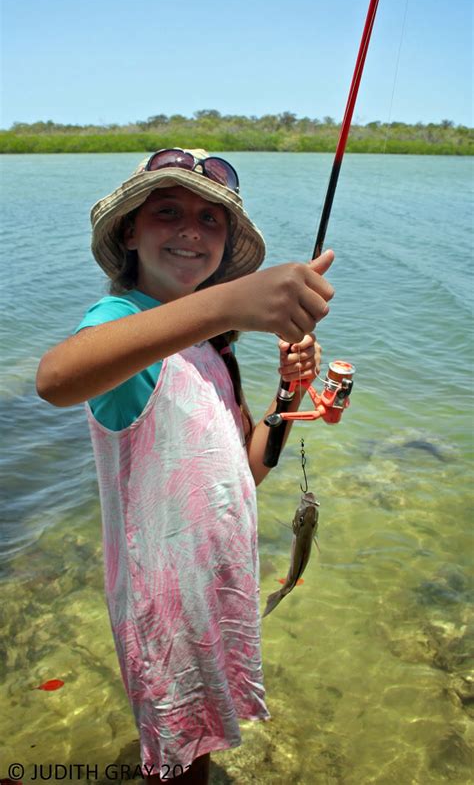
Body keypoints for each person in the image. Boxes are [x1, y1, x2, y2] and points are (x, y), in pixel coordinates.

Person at [36, 148, 335, 783]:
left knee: (199, 744)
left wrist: (286, 396)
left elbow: (246, 468)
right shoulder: (119, 322)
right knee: (178, 761)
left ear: (226, 246)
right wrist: (227, 305)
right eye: (166, 212)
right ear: (130, 233)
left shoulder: (210, 347)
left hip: (215, 589)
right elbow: (57, 378)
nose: (190, 231)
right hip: (165, 605)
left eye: (211, 219)